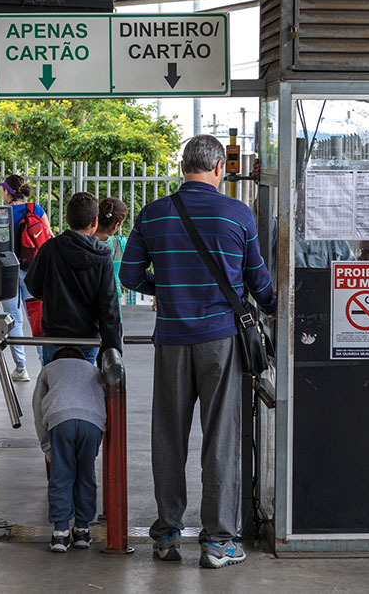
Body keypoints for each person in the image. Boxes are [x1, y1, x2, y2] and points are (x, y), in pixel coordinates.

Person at [119, 135, 276, 569]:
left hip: (171, 339)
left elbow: (129, 275)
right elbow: (259, 284)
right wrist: (284, 309)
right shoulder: (238, 214)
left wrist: (164, 290)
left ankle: (168, 535)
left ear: (183, 166)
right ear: (220, 168)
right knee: (220, 437)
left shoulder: (152, 214)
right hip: (221, 340)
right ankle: (219, 540)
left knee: (168, 434)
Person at [24, 192, 123, 367]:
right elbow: (109, 306)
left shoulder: (50, 249)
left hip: (54, 337)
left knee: (53, 386)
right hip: (88, 339)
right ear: (95, 221)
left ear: (67, 219)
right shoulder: (102, 256)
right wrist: (113, 350)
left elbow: (33, 286)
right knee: (84, 387)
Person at [32, 346, 106, 553]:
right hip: (92, 422)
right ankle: (82, 530)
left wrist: (47, 446)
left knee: (61, 476)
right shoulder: (93, 370)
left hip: (60, 419)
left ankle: (60, 533)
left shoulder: (48, 369)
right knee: (86, 475)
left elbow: (38, 408)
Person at [0, 174, 51, 381]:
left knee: (13, 319)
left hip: (8, 270)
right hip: (33, 272)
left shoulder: (1, 213)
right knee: (36, 318)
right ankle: (44, 365)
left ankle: (21, 368)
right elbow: (47, 239)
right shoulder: (36, 210)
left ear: (7, 192)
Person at [94, 196, 128, 301]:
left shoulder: (85, 240)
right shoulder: (121, 243)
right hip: (112, 298)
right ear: (117, 225)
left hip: (87, 298)